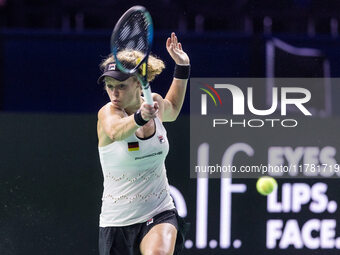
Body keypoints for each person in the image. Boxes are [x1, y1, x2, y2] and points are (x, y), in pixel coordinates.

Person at [96, 32, 190, 255]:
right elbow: (116, 131)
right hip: (116, 221)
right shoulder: (108, 113)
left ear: (139, 83)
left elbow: (173, 109)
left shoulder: (154, 102)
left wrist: (183, 66)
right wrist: (139, 117)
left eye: (121, 86)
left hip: (159, 211)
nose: (114, 93)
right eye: (109, 86)